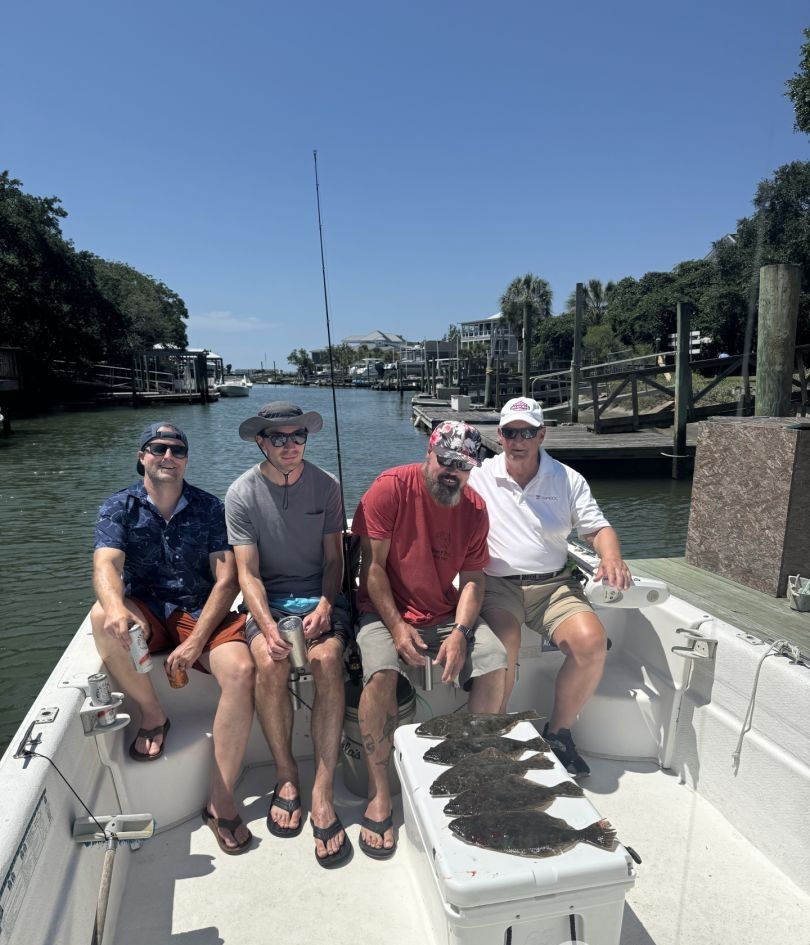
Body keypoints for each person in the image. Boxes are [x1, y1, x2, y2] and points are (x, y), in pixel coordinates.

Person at [92, 422, 255, 854]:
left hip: (198, 610)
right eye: (158, 448)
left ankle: (221, 800)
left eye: (178, 449)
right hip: (144, 606)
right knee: (99, 615)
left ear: (186, 459)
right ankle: (152, 714)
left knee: (241, 670)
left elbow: (227, 580)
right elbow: (106, 566)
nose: (169, 455)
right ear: (142, 456)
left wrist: (197, 641)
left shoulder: (208, 507)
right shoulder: (118, 507)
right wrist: (113, 609)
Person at [352, 420, 508, 858]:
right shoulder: (390, 488)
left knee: (496, 661)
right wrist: (399, 627)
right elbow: (373, 569)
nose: (452, 471)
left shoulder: (475, 508)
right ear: (429, 452)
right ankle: (379, 791)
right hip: (384, 610)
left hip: (444, 612)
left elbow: (473, 578)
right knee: (380, 675)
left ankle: (469, 771)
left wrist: (460, 632)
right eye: (445, 461)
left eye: (463, 465)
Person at [468, 397, 632, 778]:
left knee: (591, 643)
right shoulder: (480, 476)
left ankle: (558, 734)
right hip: (497, 584)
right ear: (500, 436)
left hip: (554, 585)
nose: (518, 440)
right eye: (510, 432)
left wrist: (611, 557)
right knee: (502, 646)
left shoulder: (567, 478)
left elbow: (598, 528)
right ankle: (488, 739)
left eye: (527, 432)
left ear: (542, 434)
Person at [226, 402, 353, 869]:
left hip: (321, 598)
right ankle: (285, 775)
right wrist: (264, 622)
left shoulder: (327, 486)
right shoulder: (240, 493)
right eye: (277, 438)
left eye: (297, 435)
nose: (289, 445)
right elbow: (248, 573)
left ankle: (321, 791)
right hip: (269, 602)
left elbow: (335, 560)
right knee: (268, 661)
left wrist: (325, 603)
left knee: (327, 662)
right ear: (260, 441)